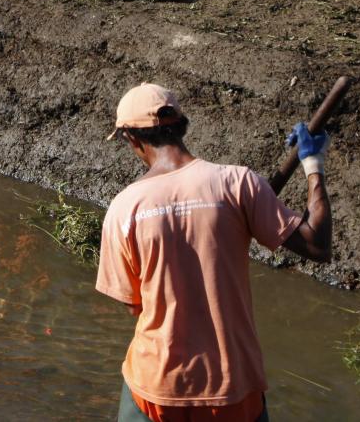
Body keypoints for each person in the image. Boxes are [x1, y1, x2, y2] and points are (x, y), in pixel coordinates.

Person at [98, 83, 332, 422]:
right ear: (182, 126)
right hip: (233, 389)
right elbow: (318, 244)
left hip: (157, 390)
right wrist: (313, 163)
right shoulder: (240, 184)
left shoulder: (125, 208)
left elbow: (132, 302)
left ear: (132, 140)